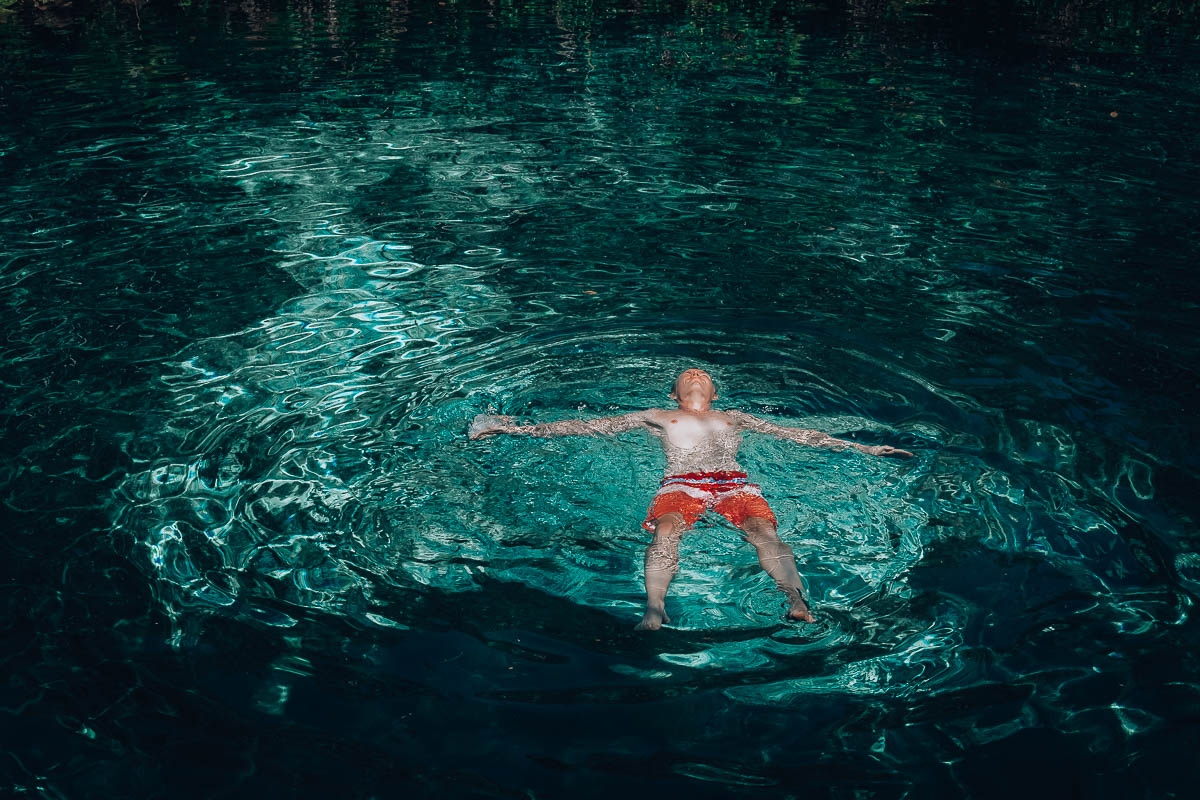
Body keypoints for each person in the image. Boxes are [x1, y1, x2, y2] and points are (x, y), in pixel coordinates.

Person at [469, 368, 912, 631]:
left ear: (715, 393)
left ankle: (796, 601)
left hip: (735, 483)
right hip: (682, 482)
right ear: (674, 394)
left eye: (703, 375)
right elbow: (587, 426)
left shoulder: (734, 417)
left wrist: (864, 449)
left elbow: (799, 435)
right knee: (668, 531)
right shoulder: (656, 416)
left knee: (764, 532)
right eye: (686, 376)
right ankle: (655, 607)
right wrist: (515, 429)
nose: (696, 374)